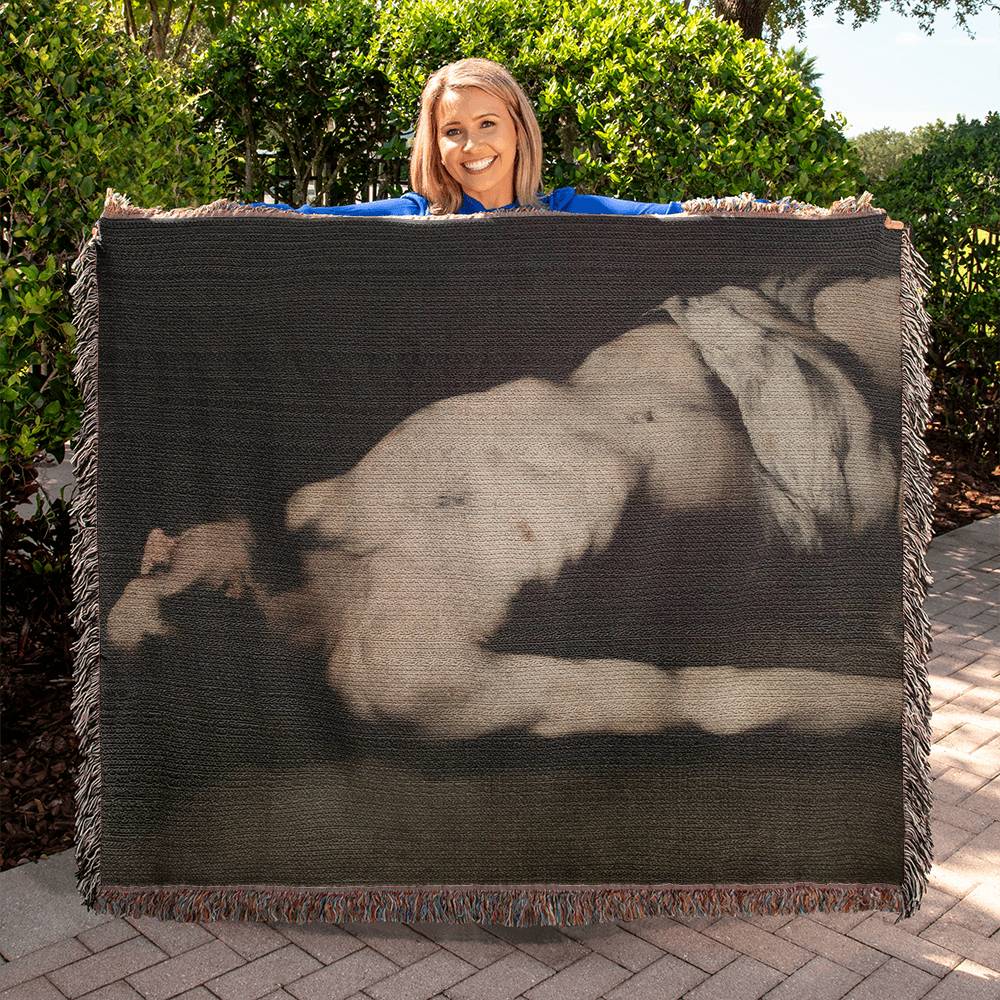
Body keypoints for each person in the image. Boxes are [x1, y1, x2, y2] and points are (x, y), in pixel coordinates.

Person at [246, 56, 691, 217]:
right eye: (453, 131)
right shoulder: (412, 220)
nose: (472, 146)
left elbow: (678, 220)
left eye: (487, 124)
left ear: (519, 130)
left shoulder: (568, 214)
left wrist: (757, 216)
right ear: (435, 147)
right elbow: (301, 224)